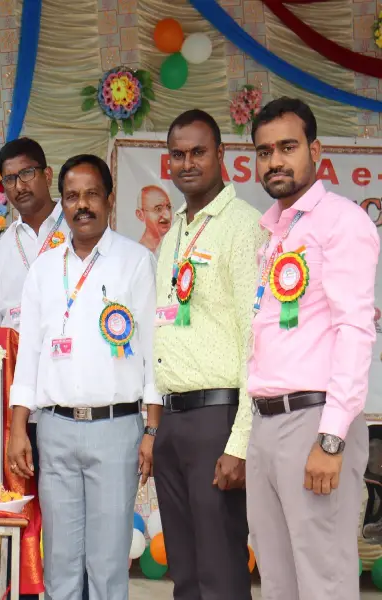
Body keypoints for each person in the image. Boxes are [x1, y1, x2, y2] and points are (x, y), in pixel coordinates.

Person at [8, 154, 159, 600]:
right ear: (62, 204)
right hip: (55, 429)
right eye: (72, 196)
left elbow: (153, 352)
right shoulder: (44, 268)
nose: (82, 205)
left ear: (110, 200)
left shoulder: (135, 262)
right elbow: (29, 354)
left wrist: (152, 429)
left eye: (92, 194)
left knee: (108, 563)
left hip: (117, 428)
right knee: (60, 561)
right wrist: (18, 427)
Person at [247, 98, 378, 600]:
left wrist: (332, 439)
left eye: (288, 147)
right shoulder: (275, 231)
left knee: (324, 582)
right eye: (264, 152)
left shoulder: (341, 221)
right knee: (277, 582)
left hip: (314, 423)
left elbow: (354, 330)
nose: (275, 161)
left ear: (315, 151)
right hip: (266, 423)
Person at [150, 109, 264, 600]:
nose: (188, 163)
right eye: (178, 154)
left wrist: (240, 442)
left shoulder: (244, 226)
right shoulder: (174, 231)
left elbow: (256, 339)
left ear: (221, 155)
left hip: (219, 420)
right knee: (186, 573)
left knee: (220, 569)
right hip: (174, 421)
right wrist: (156, 427)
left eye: (199, 152)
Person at [0, 136, 69, 599]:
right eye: (9, 179)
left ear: (47, 174)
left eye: (27, 173)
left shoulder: (77, 230)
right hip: (19, 409)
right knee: (22, 512)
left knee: (66, 514)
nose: (19, 185)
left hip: (69, 401)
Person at [136, 185, 173, 253]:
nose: (167, 216)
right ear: (140, 215)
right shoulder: (137, 253)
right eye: (158, 209)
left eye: (169, 207)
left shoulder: (173, 249)